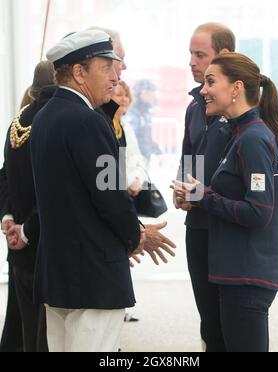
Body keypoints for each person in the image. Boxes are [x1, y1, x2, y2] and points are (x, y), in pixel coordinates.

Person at [174, 22, 278, 352]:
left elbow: (277, 188)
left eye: (200, 55)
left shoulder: (253, 128)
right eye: (190, 54)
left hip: (238, 247)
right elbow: (191, 159)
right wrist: (186, 191)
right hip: (203, 229)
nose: (192, 62)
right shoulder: (196, 110)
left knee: (238, 332)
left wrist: (260, 224)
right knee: (213, 327)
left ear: (223, 58)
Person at [30, 29, 150, 353]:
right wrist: (135, 235)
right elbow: (111, 197)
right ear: (79, 72)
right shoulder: (88, 121)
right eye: (106, 67)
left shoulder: (45, 116)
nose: (115, 77)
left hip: (59, 275)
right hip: (94, 276)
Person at [91, 26, 176, 266]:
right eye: (118, 60)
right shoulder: (96, 120)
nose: (123, 68)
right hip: (95, 249)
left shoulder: (115, 123)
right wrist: (135, 234)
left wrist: (195, 196)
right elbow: (106, 187)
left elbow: (136, 159)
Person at [0, 61, 55, 352]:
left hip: (19, 249)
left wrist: (8, 217)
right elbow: (54, 191)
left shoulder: (17, 123)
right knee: (47, 338)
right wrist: (27, 230)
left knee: (27, 331)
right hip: (47, 247)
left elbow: (4, 176)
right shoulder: (55, 124)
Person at [126, 79, 161, 167]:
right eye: (149, 93)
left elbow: (144, 135)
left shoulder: (145, 113)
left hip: (144, 157)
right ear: (140, 94)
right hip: (135, 161)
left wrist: (152, 146)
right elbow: (131, 138)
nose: (152, 96)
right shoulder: (132, 113)